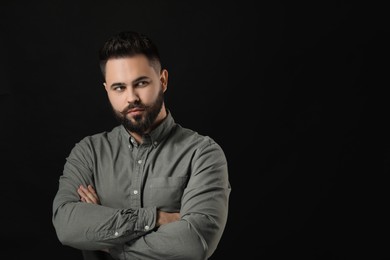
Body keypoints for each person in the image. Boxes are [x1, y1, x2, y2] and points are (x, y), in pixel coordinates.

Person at [52, 30, 231, 260]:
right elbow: (67, 226)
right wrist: (154, 218)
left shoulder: (202, 154)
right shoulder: (88, 153)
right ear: (107, 90)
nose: (131, 97)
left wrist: (109, 244)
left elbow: (194, 243)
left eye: (141, 83)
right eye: (119, 87)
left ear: (163, 80)